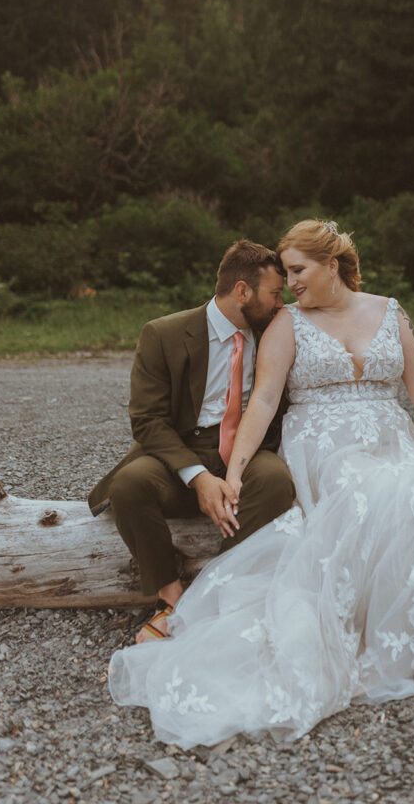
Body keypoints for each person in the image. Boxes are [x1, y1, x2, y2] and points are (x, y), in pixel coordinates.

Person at [108, 220, 414, 746]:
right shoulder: (287, 323)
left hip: (394, 441)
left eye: (298, 270)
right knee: (380, 496)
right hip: (326, 450)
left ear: (331, 265)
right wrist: (235, 471)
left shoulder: (391, 311)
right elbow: (264, 400)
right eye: (285, 274)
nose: (290, 284)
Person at [88, 239, 296, 642]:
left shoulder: (275, 330)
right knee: (130, 484)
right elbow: (147, 421)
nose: (279, 304)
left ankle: (212, 591)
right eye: (274, 294)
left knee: (275, 482)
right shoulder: (163, 334)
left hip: (247, 452)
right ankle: (171, 595)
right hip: (182, 451)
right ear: (242, 291)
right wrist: (199, 478)